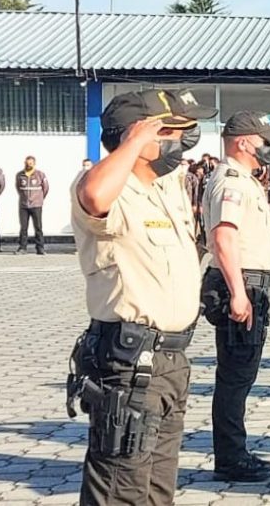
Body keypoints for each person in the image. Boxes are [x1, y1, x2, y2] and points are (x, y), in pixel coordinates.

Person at [66, 88, 215, 505]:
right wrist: (132, 145)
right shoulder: (108, 187)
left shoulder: (166, 187)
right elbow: (95, 196)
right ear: (138, 134)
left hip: (170, 359)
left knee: (156, 488)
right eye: (174, 130)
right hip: (130, 360)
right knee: (120, 487)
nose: (186, 139)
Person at [198, 110, 270, 483]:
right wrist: (237, 293)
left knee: (240, 374)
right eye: (264, 141)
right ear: (244, 142)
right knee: (235, 377)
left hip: (250, 284)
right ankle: (231, 458)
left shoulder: (244, 179)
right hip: (242, 284)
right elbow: (223, 237)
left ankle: (234, 451)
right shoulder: (230, 181)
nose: (267, 147)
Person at [15, 155, 49, 255]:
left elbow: (45, 188)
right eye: (27, 163)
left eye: (30, 163)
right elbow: (18, 188)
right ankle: (22, 248)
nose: (28, 165)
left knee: (38, 227)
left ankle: (40, 248)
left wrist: (39, 199)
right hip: (24, 205)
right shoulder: (20, 175)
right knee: (23, 227)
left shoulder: (40, 174)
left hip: (36, 205)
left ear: (34, 163)